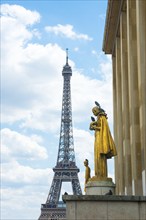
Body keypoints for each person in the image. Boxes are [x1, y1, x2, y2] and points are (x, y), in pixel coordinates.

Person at [89, 102, 117, 179]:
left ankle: (101, 175)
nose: (94, 113)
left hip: (100, 139)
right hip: (98, 138)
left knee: (100, 156)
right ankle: (98, 174)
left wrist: (95, 127)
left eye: (94, 111)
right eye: (93, 112)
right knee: (97, 156)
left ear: (98, 110)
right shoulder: (99, 118)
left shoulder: (102, 117)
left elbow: (103, 129)